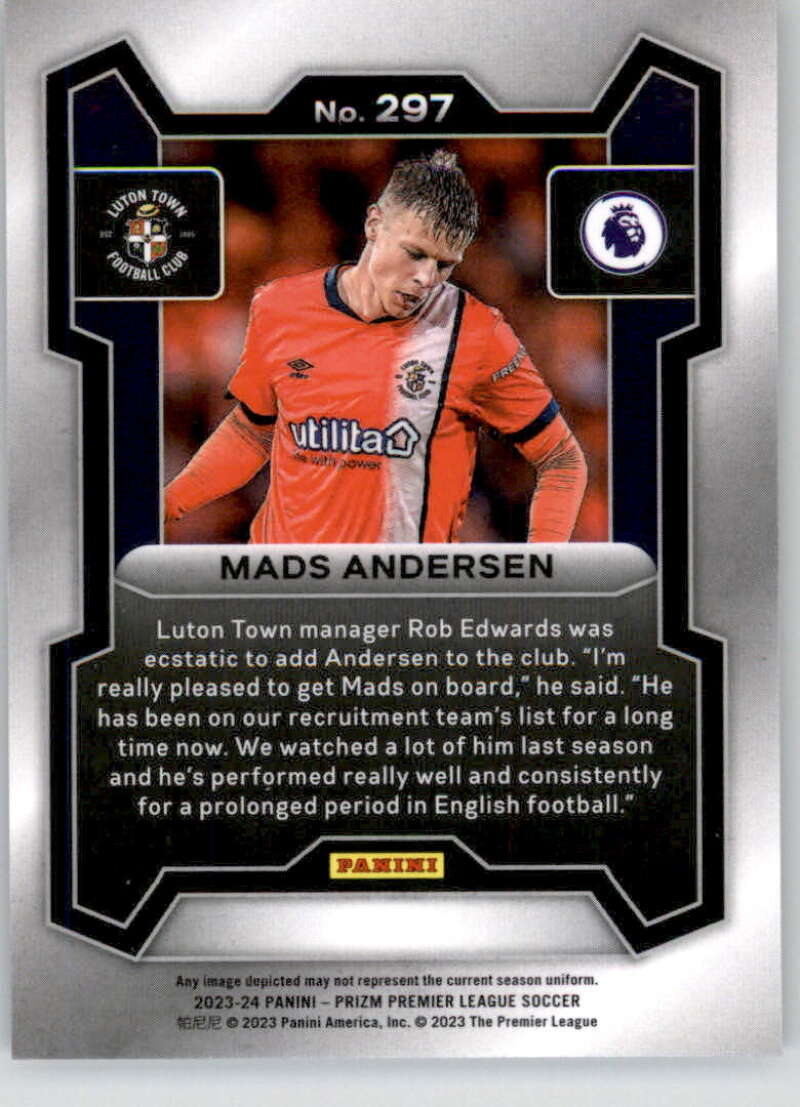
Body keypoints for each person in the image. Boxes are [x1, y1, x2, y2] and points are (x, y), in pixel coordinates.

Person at [165, 150, 587, 543]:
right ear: (374, 224)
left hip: (406, 587)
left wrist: (541, 562)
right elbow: (251, 432)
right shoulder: (279, 305)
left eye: (443, 264)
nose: (425, 278)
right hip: (290, 580)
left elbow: (562, 459)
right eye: (415, 253)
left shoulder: (475, 331)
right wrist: (169, 504)